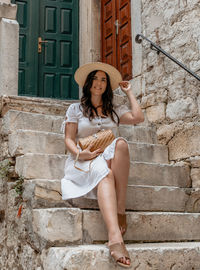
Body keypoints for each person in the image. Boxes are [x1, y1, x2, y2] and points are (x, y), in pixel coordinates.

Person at [61, 62, 144, 268]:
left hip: (106, 155)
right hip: (83, 159)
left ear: (107, 85)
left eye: (104, 80)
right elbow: (69, 139)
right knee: (104, 173)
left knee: (121, 143)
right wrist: (80, 153)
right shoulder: (76, 109)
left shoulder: (113, 110)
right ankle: (115, 238)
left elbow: (138, 117)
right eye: (96, 79)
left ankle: (120, 209)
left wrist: (129, 92)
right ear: (89, 83)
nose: (99, 83)